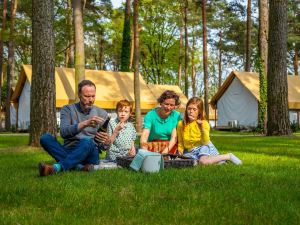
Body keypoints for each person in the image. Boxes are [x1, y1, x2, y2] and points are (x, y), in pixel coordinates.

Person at [38, 80, 111, 176]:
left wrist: (106, 143)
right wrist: (85, 123)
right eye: (87, 96)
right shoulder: (67, 109)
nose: (91, 100)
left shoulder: (102, 113)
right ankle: (79, 167)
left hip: (90, 154)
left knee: (87, 141)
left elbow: (101, 146)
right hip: (69, 150)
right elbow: (64, 133)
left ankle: (57, 168)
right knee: (45, 138)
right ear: (79, 95)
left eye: (93, 96)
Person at [177, 97, 242, 165]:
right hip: (189, 151)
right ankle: (220, 161)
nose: (191, 111)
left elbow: (205, 142)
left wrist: (201, 128)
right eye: (189, 108)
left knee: (203, 162)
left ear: (199, 111)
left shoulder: (204, 123)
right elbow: (181, 142)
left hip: (202, 147)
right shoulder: (180, 124)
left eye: (194, 109)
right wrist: (180, 149)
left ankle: (228, 156)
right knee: (190, 163)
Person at [140, 90, 181, 154]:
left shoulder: (176, 116)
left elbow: (174, 138)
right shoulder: (150, 115)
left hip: (170, 145)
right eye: (166, 104)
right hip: (153, 144)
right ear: (161, 103)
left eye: (172, 105)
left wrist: (164, 153)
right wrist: (144, 151)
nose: (168, 107)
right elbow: (145, 135)